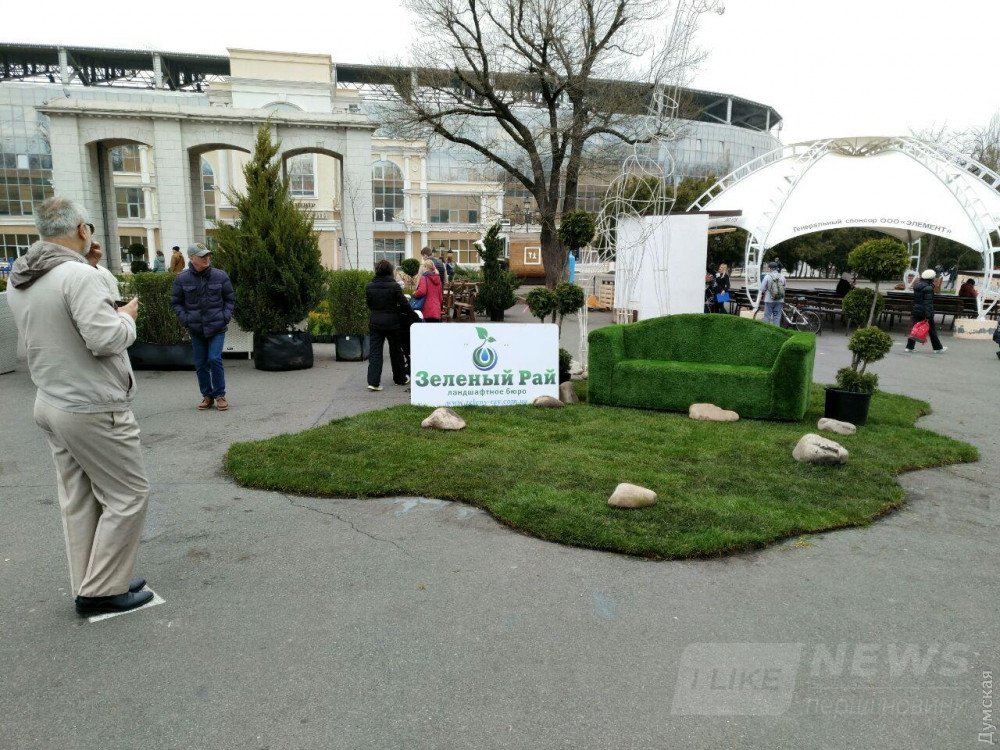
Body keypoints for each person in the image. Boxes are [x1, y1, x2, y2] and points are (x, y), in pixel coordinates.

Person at [5, 197, 153, 617]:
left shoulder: (23, 275)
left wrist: (91, 271)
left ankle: (94, 582)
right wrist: (127, 316)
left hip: (51, 399)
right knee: (128, 495)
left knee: (79, 498)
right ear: (82, 229)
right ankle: (102, 590)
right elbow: (105, 339)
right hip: (91, 404)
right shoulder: (78, 276)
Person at [171, 243, 235, 410]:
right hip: (196, 328)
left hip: (217, 327)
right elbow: (176, 303)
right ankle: (207, 396)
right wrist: (186, 319)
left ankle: (220, 395)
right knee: (200, 363)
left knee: (214, 359)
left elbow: (230, 299)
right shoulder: (182, 279)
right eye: (202, 256)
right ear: (192, 258)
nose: (206, 258)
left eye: (207, 255)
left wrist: (225, 317)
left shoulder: (220, 276)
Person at [365, 259, 410, 391]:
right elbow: (404, 304)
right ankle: (400, 379)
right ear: (390, 271)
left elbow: (369, 304)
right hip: (393, 323)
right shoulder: (394, 286)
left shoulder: (369, 286)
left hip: (375, 322)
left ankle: (373, 382)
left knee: (375, 352)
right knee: (396, 351)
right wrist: (413, 315)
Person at [904, 269, 946, 353]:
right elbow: (928, 303)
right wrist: (929, 315)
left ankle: (909, 347)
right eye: (933, 277)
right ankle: (938, 348)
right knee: (932, 331)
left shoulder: (917, 285)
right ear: (931, 278)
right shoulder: (928, 288)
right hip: (925, 312)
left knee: (914, 329)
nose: (934, 278)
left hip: (916, 310)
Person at [413, 257, 444, 322]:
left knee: (427, 327)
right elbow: (440, 296)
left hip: (427, 308)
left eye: (423, 267)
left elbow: (422, 291)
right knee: (434, 327)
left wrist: (415, 294)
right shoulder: (438, 279)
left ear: (425, 267)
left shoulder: (424, 278)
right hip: (436, 308)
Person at [759, 261, 785, 326]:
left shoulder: (767, 276)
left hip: (769, 300)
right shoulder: (782, 276)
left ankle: (766, 330)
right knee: (777, 317)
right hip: (779, 300)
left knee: (767, 316)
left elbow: (762, 288)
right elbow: (784, 287)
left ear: (770, 268)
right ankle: (776, 330)